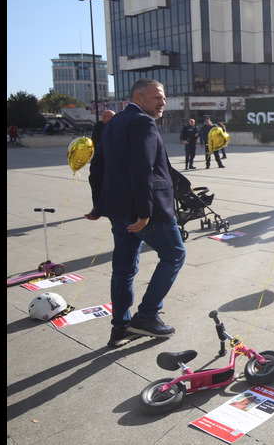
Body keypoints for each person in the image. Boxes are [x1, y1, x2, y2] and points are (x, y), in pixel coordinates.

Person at [86, 78, 185, 348]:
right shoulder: (142, 122)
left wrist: (99, 204)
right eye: (157, 97)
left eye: (163, 97)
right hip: (145, 211)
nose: (162, 102)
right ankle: (147, 316)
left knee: (124, 269)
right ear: (138, 98)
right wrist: (144, 212)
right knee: (175, 254)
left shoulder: (114, 123)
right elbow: (143, 169)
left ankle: (120, 328)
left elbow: (98, 168)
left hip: (119, 210)